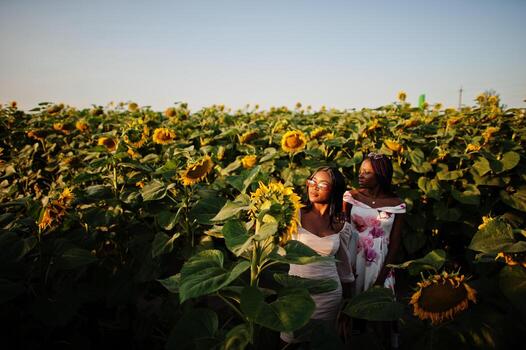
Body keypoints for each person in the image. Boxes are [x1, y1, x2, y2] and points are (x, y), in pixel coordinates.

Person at [280, 166, 358, 345]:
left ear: (335, 190)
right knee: (289, 341)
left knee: (321, 342)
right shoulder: (293, 214)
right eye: (312, 182)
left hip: (329, 295)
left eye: (322, 184)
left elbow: (344, 269)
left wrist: (347, 305)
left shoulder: (341, 225)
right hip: (297, 292)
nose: (314, 187)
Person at [343, 152, 405, 344]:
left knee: (382, 309)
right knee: (350, 307)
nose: (361, 175)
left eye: (367, 172)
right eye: (361, 171)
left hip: (380, 262)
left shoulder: (397, 205)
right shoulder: (350, 197)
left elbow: (394, 244)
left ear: (381, 175)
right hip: (353, 258)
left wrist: (383, 275)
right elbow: (343, 231)